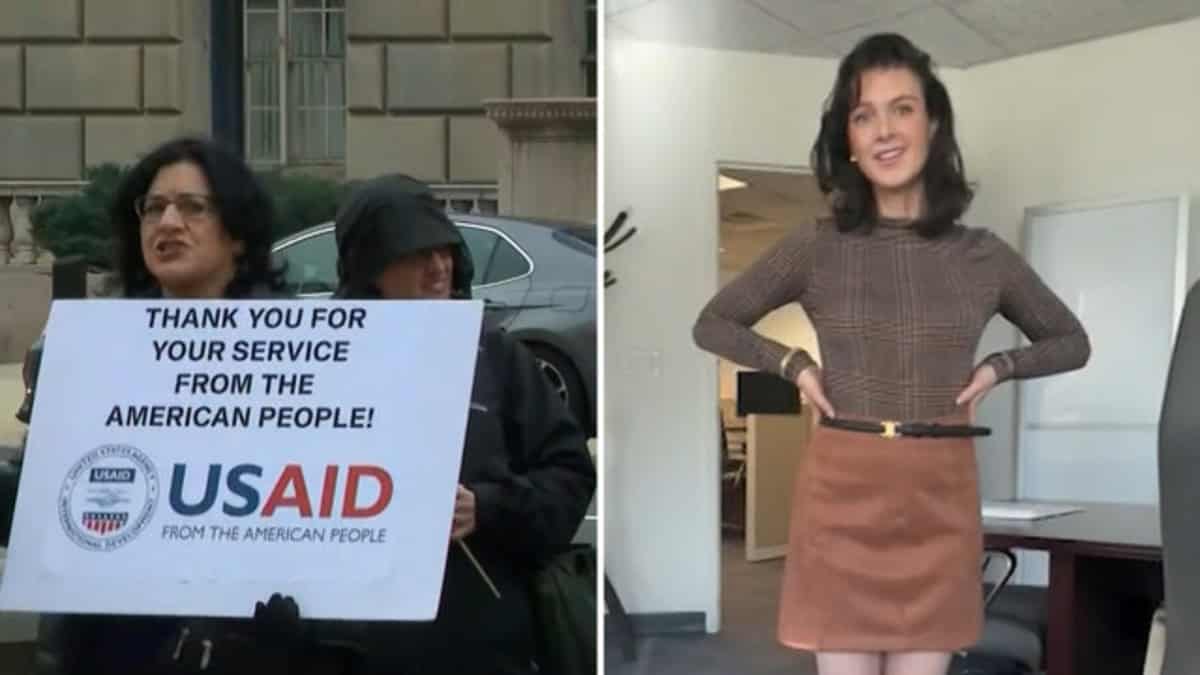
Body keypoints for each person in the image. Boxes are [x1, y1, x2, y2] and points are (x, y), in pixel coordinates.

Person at [692, 34, 1090, 675]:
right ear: (847, 139)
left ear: (932, 124)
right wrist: (795, 366)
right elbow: (714, 323)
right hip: (841, 500)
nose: (884, 129)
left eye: (901, 109)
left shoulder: (983, 255)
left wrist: (1000, 367)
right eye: (863, 114)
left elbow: (1071, 340)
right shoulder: (817, 247)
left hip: (940, 500)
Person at [33, 136, 358, 675]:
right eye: (154, 208)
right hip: (111, 635)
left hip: (255, 638)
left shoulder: (304, 352)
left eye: (191, 207)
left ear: (236, 234)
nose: (167, 223)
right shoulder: (94, 348)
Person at [331, 174, 596, 675]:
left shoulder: (496, 356)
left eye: (446, 251)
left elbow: (570, 476)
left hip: (476, 640)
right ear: (371, 266)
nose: (438, 268)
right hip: (350, 642)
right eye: (416, 253)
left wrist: (488, 508)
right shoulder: (319, 361)